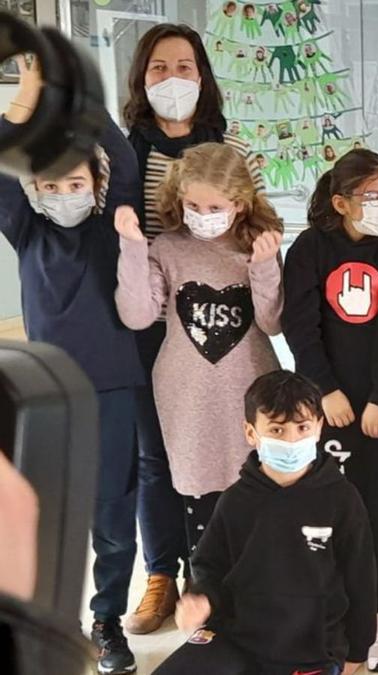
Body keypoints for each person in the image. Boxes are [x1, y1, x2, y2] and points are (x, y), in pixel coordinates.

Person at [0, 57, 143, 675]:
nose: (63, 196)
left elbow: (124, 159)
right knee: (46, 513)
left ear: (97, 183)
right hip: (46, 397)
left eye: (75, 184)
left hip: (110, 390)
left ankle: (107, 617)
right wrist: (25, 99)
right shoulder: (27, 230)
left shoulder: (114, 227)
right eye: (51, 186)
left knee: (113, 513)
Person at [122, 23, 265, 634]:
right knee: (157, 455)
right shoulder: (124, 149)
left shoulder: (231, 147)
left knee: (226, 451)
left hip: (223, 319)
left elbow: (252, 224)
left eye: (185, 66)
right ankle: (161, 574)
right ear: (141, 77)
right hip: (148, 311)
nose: (172, 78)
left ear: (203, 76)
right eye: (159, 68)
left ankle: (216, 576)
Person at [282, 150, 378, 672]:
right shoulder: (309, 248)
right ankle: (329, 614)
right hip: (328, 406)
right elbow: (301, 324)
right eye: (373, 197)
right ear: (341, 202)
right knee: (328, 513)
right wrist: (325, 390)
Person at [114, 143, 284, 560]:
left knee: (257, 501)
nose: (203, 216)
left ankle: (257, 604)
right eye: (193, 205)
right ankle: (203, 602)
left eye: (214, 206)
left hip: (249, 392)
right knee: (200, 504)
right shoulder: (168, 248)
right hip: (186, 396)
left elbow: (272, 323)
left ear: (240, 203)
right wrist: (133, 248)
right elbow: (137, 316)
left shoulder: (258, 246)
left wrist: (264, 267)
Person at [155, 371, 375, 675]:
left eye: (302, 427)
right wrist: (203, 598)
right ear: (250, 433)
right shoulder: (234, 500)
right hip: (237, 637)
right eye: (276, 430)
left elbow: (361, 578)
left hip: (313, 647)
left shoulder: (342, 499)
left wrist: (358, 651)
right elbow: (209, 565)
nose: (292, 440)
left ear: (319, 428)